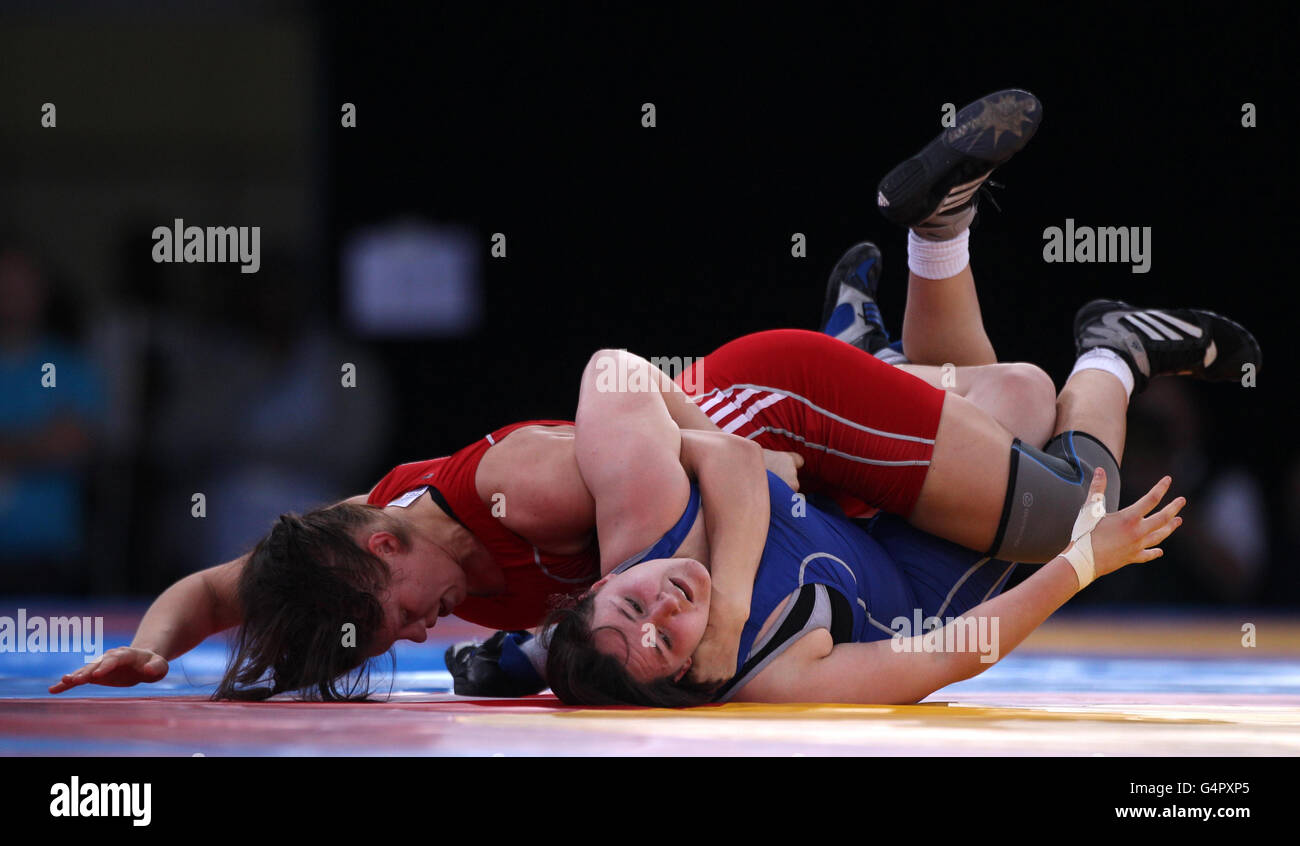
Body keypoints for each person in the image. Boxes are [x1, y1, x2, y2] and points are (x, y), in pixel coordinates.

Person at [49, 89, 1258, 702]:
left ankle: (1112, 343)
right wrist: (154, 652)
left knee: (1056, 506)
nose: (415, 634)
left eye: (394, 618)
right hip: (772, 462)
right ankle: (913, 274)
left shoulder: (532, 497)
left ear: (378, 544)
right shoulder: (387, 541)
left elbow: (631, 385)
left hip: (760, 414)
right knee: (1000, 390)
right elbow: (225, 586)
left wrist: (724, 587)